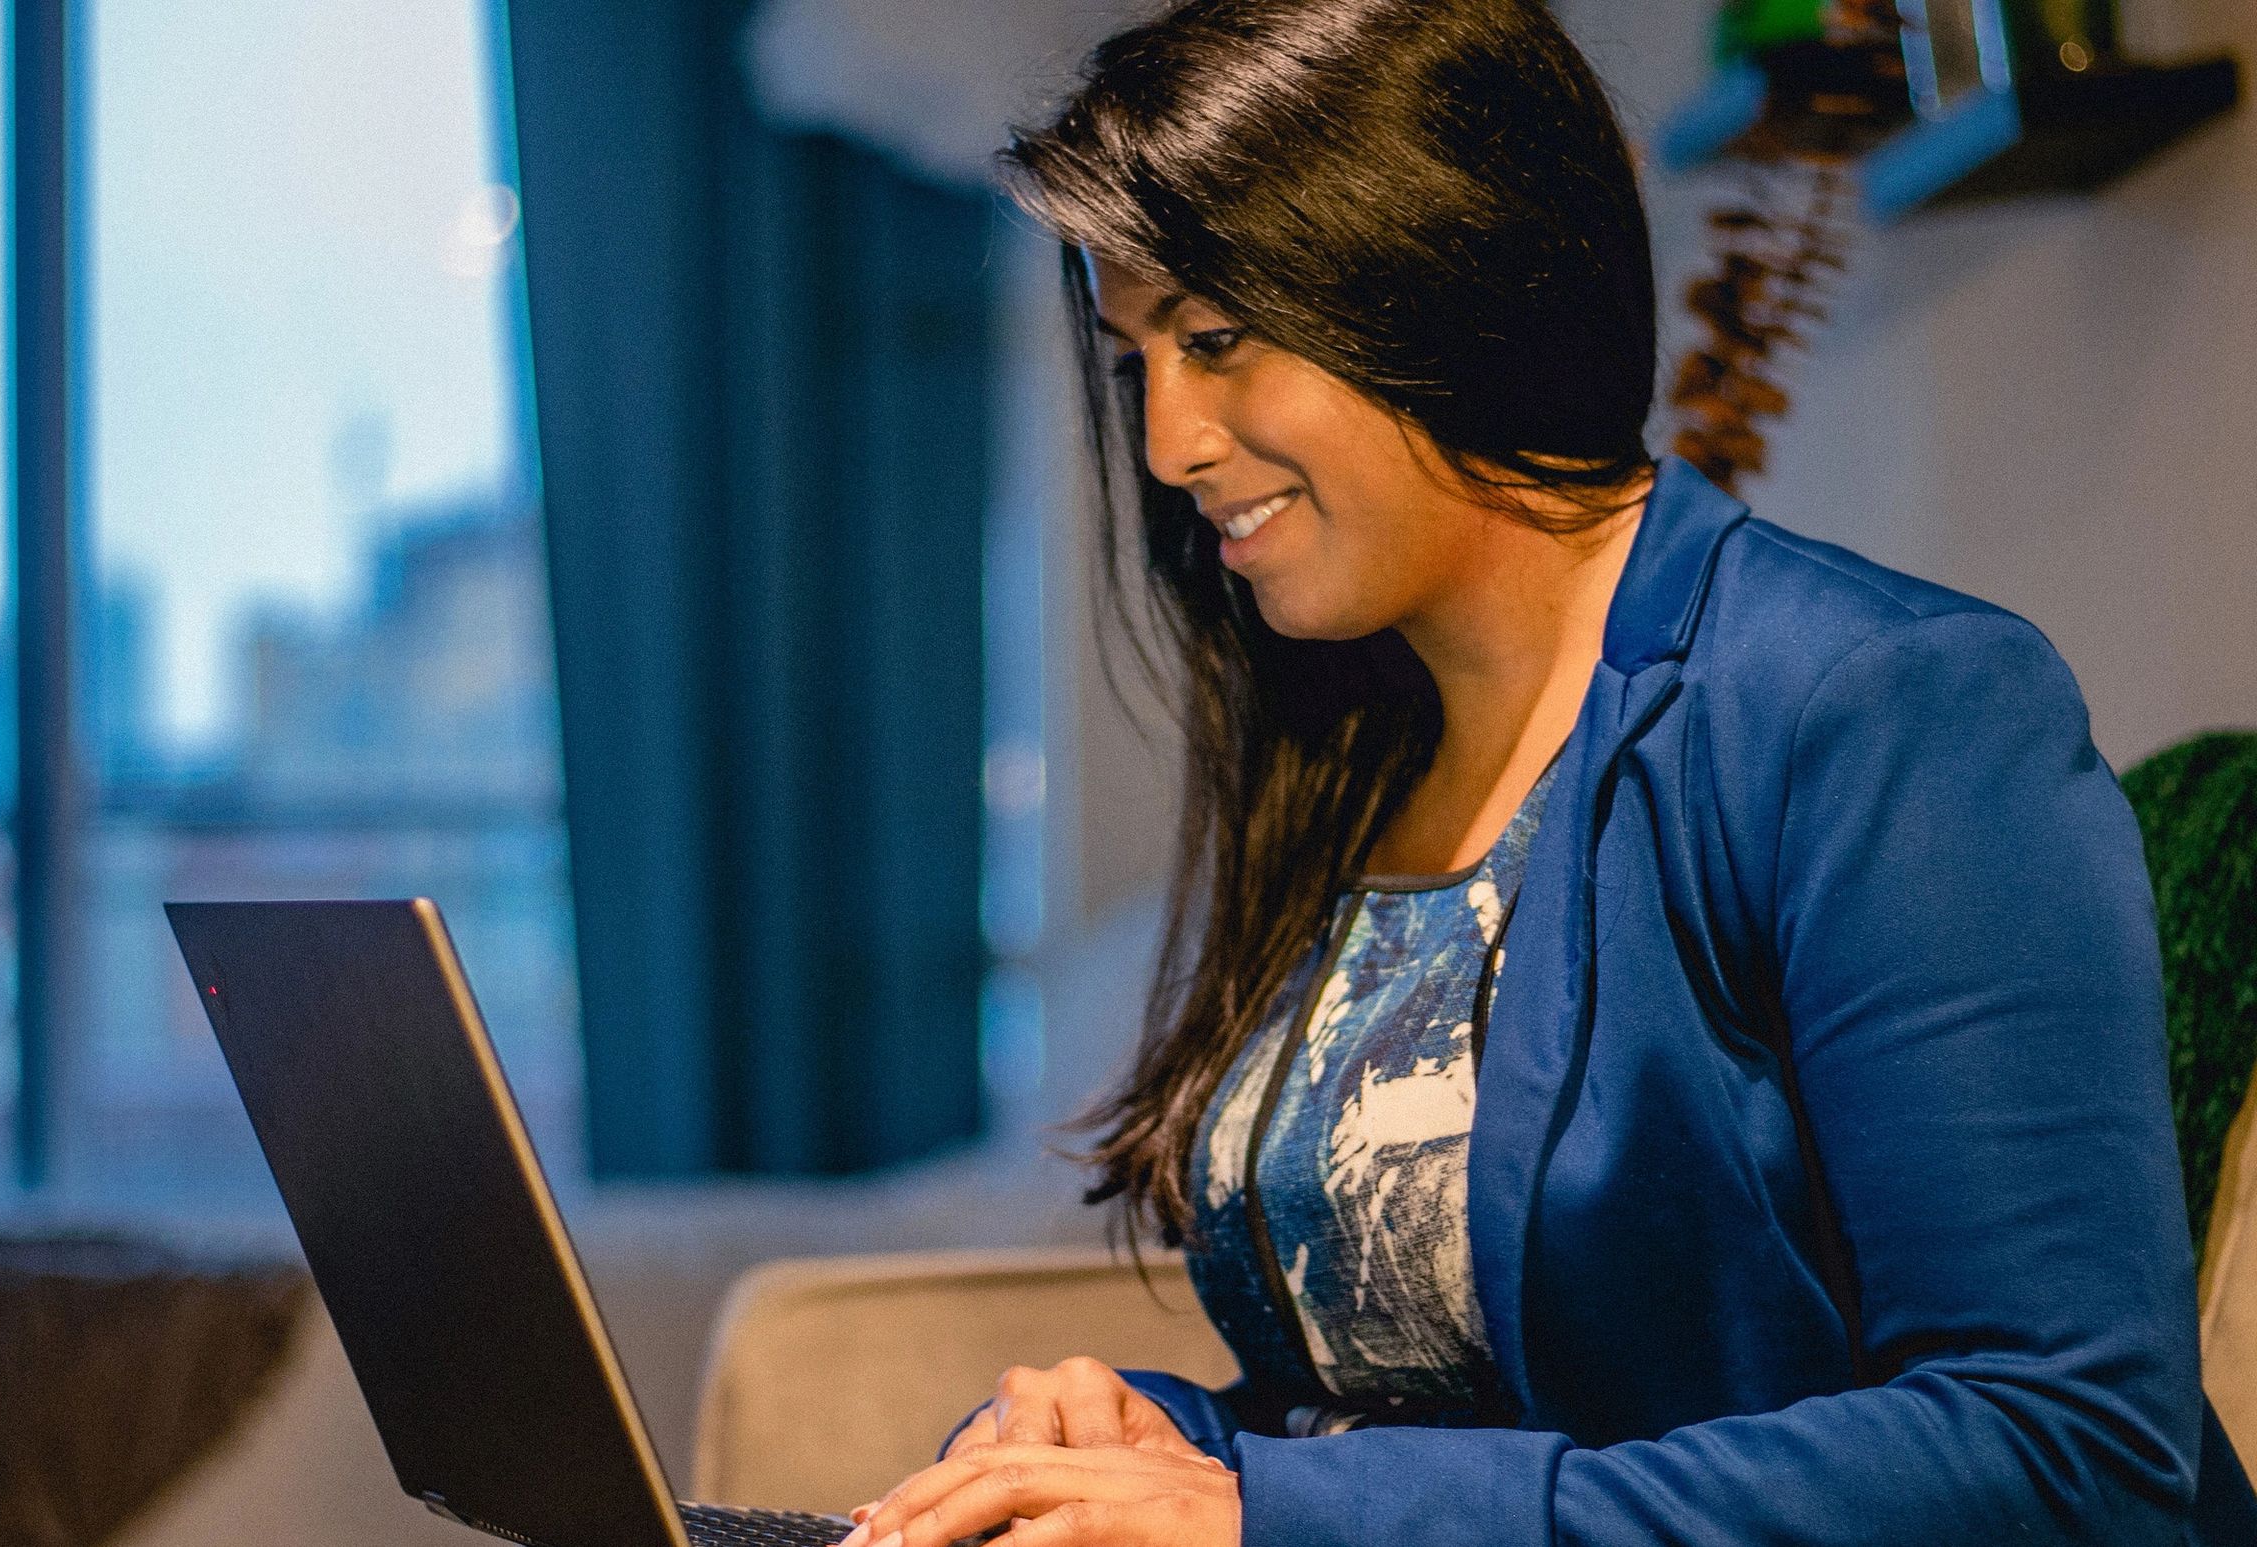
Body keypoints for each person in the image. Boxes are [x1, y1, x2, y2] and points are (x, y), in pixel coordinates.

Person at [837, 1, 2252, 1543]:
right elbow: (1417, 1408)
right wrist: (1140, 1448)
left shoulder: (1880, 708)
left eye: (1217, 338)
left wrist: (1276, 1519)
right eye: (1138, 359)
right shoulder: (1348, 749)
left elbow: (2065, 1450)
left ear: (1430, 266)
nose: (1170, 442)